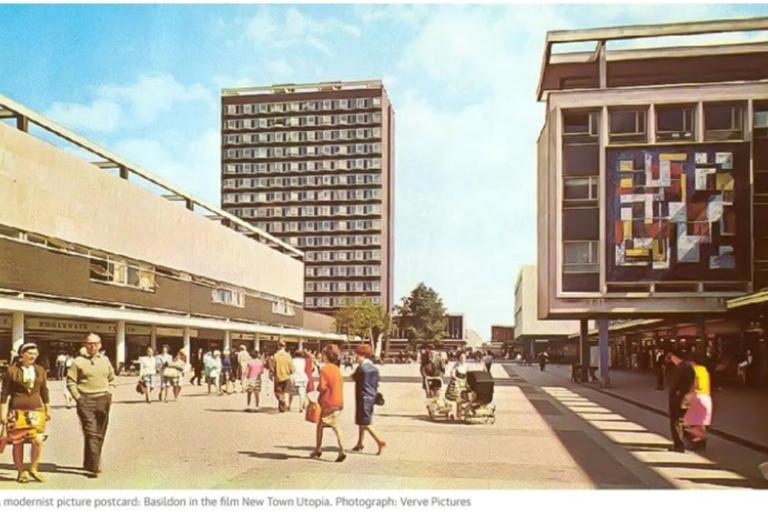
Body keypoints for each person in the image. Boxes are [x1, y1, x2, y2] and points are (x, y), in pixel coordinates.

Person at [66, 333, 115, 478]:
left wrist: (110, 393)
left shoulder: (105, 360)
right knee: (91, 433)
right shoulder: (77, 362)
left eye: (95, 343)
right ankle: (95, 466)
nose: (92, 346)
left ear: (100, 345)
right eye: (89, 344)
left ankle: (89, 462)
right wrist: (78, 398)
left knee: (99, 433)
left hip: (103, 400)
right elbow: (70, 381)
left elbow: (112, 378)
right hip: (85, 400)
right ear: (85, 345)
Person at [1, 342, 51, 483]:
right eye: (30, 353)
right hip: (17, 411)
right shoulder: (11, 371)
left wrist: (48, 408)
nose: (33, 356)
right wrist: (3, 415)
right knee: (18, 442)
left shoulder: (40, 370)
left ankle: (33, 468)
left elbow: (44, 391)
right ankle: (21, 471)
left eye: (35, 354)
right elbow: (4, 395)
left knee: (38, 441)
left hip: (36, 410)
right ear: (22, 354)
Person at [311, 344, 346, 462]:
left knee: (330, 426)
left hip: (328, 401)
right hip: (338, 401)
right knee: (325, 424)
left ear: (326, 355)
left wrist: (317, 389)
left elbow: (322, 386)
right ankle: (318, 449)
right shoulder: (337, 369)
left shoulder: (325, 369)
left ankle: (340, 450)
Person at [351, 344, 386, 455]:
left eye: (357, 355)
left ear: (362, 355)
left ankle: (379, 441)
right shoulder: (374, 369)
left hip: (362, 397)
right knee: (363, 421)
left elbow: (353, 377)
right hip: (371, 397)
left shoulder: (361, 369)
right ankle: (360, 443)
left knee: (365, 422)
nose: (355, 358)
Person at [666, 352, 695, 453]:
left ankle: (679, 446)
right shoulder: (691, 368)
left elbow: (674, 385)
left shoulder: (680, 368)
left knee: (676, 421)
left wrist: (672, 394)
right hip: (688, 397)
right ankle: (696, 440)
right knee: (683, 420)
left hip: (678, 398)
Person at [684, 354, 713, 450]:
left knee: (685, 422)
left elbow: (693, 385)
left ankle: (700, 437)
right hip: (707, 397)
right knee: (701, 423)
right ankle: (701, 444)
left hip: (696, 397)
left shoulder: (692, 371)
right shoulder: (704, 370)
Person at [445, 351, 469, 420]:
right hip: (457, 382)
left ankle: (461, 412)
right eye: (461, 357)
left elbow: (468, 375)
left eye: (464, 357)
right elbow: (452, 372)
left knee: (464, 399)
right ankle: (458, 414)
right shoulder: (456, 365)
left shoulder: (467, 366)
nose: (463, 359)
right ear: (459, 358)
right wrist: (454, 378)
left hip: (464, 383)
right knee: (458, 399)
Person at [273, 341, 293, 413]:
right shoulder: (288, 356)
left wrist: (272, 374)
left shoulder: (275, 356)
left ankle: (282, 400)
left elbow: (273, 367)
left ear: (278, 346)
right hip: (287, 376)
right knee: (284, 392)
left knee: (277, 392)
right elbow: (292, 368)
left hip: (278, 377)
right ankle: (282, 408)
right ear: (285, 346)